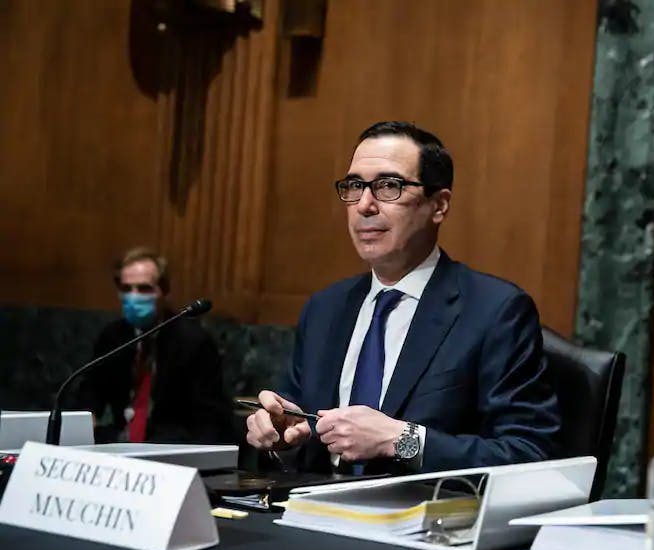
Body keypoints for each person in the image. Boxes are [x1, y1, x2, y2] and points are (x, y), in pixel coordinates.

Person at [246, 121, 560, 474]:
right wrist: (283, 438)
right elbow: (301, 437)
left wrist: (401, 440)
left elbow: (529, 455)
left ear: (438, 206)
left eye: (388, 186)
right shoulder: (326, 309)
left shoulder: (495, 311)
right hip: (315, 514)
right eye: (354, 186)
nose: (364, 205)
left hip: (425, 520)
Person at [77, 247, 233, 444]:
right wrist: (85, 419)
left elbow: (209, 417)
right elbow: (90, 393)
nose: (134, 297)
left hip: (171, 445)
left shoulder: (192, 341)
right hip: (118, 442)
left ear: (164, 291)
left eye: (144, 289)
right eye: (126, 289)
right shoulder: (113, 336)